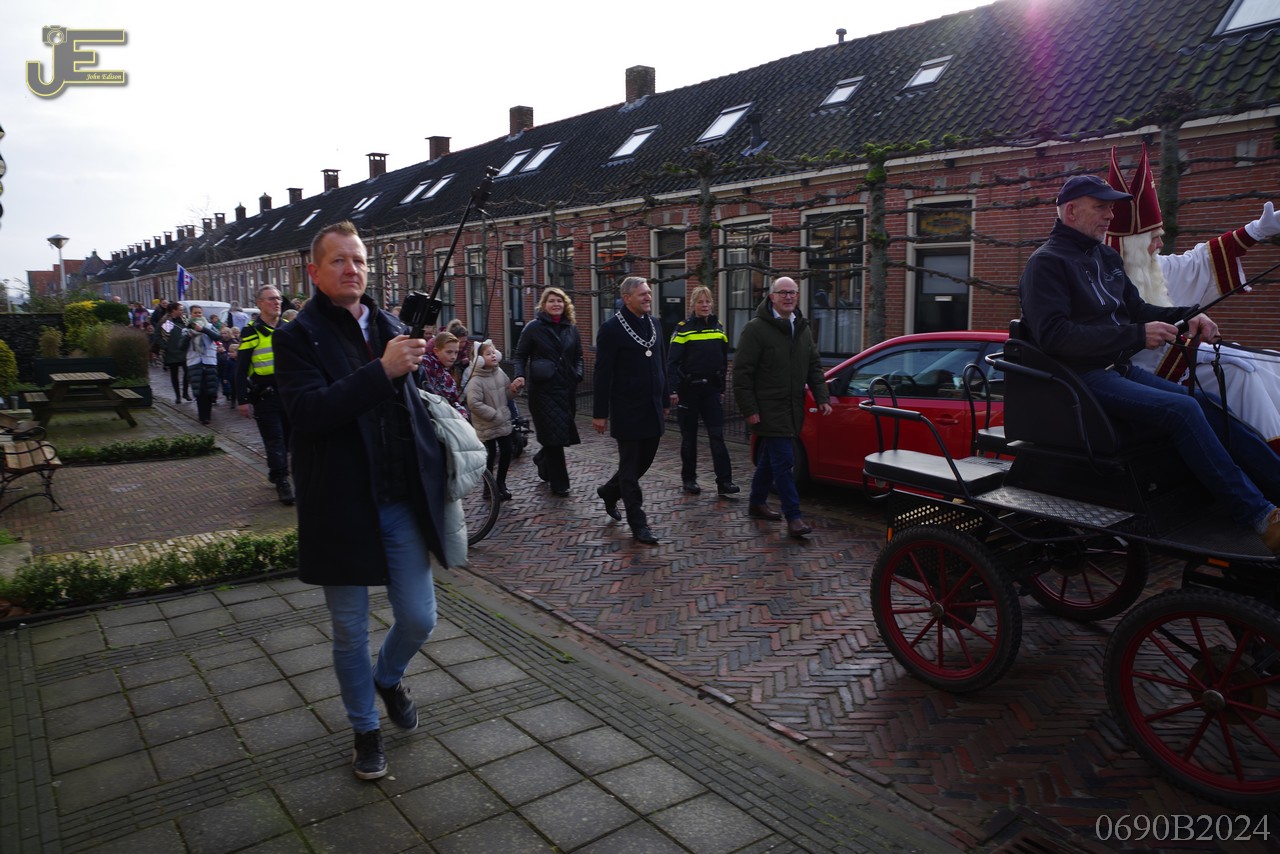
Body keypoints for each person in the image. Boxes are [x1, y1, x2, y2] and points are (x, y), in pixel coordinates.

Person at [274, 220, 455, 781]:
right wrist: (382, 370)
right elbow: (308, 413)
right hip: (340, 504)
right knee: (350, 628)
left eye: (358, 260)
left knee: (419, 617)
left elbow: (411, 406)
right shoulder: (296, 336)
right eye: (339, 261)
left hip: (398, 497)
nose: (351, 269)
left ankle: (388, 676)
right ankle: (364, 729)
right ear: (315, 272)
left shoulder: (390, 325)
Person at [1019, 173, 1280, 552]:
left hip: (1117, 370)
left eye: (1111, 208)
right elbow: (1055, 337)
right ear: (1071, 211)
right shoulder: (1046, 264)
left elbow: (1137, 310)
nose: (1110, 216)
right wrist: (1136, 336)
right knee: (1183, 410)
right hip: (1078, 380)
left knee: (1205, 403)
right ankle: (1259, 516)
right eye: (1101, 207)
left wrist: (1187, 316)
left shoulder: (1106, 257)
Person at [1106, 145, 1280, 451]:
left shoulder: (1156, 266)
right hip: (1140, 374)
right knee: (1240, 375)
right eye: (1153, 237)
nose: (1160, 244)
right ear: (1132, 244)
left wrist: (1257, 231)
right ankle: (1268, 461)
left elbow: (1201, 260)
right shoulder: (1103, 278)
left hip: (1181, 360)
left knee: (1269, 364)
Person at [734, 278, 831, 538]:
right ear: (772, 297)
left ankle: (756, 501)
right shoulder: (755, 329)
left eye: (793, 293)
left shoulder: (801, 327)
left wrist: (822, 397)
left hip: (793, 407)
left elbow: (813, 365)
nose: (789, 297)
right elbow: (742, 374)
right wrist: (749, 409)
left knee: (769, 458)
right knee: (785, 461)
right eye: (783, 293)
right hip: (768, 408)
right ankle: (793, 516)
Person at [593, 276, 667, 545]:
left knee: (643, 463)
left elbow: (662, 362)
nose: (648, 297)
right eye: (642, 294)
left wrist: (665, 400)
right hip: (627, 409)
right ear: (627, 298)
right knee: (629, 466)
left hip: (652, 407)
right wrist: (600, 413)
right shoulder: (611, 329)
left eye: (648, 293)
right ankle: (639, 523)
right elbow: (602, 373)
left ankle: (609, 491)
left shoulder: (655, 324)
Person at [667, 285, 738, 496]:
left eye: (707, 301)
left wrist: (721, 387)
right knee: (689, 438)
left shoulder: (718, 328)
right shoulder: (683, 329)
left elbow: (722, 361)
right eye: (700, 302)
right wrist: (672, 390)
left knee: (717, 435)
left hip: (711, 390)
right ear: (693, 305)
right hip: (689, 391)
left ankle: (724, 481)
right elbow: (672, 362)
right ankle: (689, 479)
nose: (705, 305)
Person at [513, 287, 583, 497]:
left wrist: (577, 374)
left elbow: (578, 356)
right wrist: (520, 375)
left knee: (559, 434)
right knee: (553, 437)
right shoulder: (533, 328)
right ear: (544, 305)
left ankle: (542, 460)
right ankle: (560, 484)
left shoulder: (571, 328)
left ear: (565, 304)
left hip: (566, 389)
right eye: (551, 301)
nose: (556, 304)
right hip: (543, 390)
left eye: (559, 301)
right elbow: (520, 355)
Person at [237, 285, 294, 505]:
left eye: (278, 298)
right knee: (275, 439)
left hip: (289, 394)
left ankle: (276, 470)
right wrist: (242, 400)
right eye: (271, 299)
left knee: (289, 439)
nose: (276, 302)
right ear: (259, 303)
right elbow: (241, 368)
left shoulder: (289, 327)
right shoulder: (251, 331)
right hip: (265, 395)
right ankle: (282, 481)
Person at [465, 340, 524, 500]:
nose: (493, 355)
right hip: (487, 424)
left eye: (493, 352)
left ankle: (501, 484)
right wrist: (493, 414)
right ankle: (488, 488)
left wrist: (514, 389)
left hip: (501, 422)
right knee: (490, 456)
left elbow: (506, 394)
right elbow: (473, 403)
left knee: (507, 451)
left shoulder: (500, 373)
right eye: (488, 353)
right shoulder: (476, 380)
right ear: (479, 359)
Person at [184, 305, 220, 425]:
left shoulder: (209, 326)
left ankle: (208, 415)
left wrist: (203, 329)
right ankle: (202, 416)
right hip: (195, 362)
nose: (198, 315)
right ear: (191, 314)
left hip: (209, 361)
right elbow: (181, 347)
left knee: (210, 391)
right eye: (195, 313)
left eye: (199, 312)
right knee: (199, 391)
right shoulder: (186, 329)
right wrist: (188, 336)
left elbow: (217, 337)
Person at [419, 331, 467, 417]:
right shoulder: (423, 366)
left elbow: (454, 401)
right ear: (436, 351)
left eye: (456, 352)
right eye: (449, 352)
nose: (453, 357)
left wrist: (462, 413)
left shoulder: (447, 376)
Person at [156, 302, 191, 404]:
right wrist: (165, 346)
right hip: (171, 351)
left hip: (183, 350)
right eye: (180, 310)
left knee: (187, 372)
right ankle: (178, 396)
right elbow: (158, 336)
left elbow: (191, 329)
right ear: (173, 310)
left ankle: (185, 392)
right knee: (174, 374)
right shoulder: (167, 322)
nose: (182, 312)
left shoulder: (184, 320)